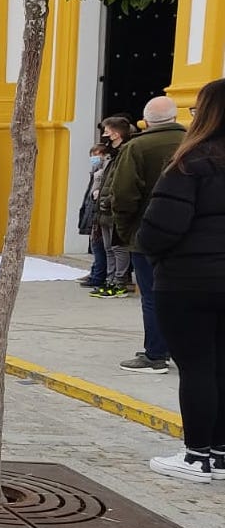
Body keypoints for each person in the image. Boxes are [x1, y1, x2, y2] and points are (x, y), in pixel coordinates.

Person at [135, 77, 225, 482]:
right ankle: (221, 456)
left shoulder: (191, 162)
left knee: (196, 367)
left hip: (189, 280)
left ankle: (195, 456)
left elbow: (160, 228)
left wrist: (154, 254)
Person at [109, 96, 188, 374]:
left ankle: (155, 354)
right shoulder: (196, 143)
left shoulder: (138, 147)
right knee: (186, 294)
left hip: (147, 234)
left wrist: (126, 229)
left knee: (153, 296)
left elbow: (123, 194)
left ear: (146, 120)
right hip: (190, 236)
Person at [91, 117, 135, 295]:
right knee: (108, 247)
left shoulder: (125, 153)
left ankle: (119, 282)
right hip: (104, 206)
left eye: (107, 132)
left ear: (116, 134)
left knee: (118, 247)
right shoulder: (111, 155)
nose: (104, 135)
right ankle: (110, 279)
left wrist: (110, 199)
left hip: (114, 205)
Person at [79, 143, 111, 289]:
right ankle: (95, 273)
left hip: (98, 210)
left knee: (100, 246)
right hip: (92, 209)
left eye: (96, 154)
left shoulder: (105, 170)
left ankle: (99, 275)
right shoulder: (95, 171)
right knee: (96, 245)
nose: (93, 158)